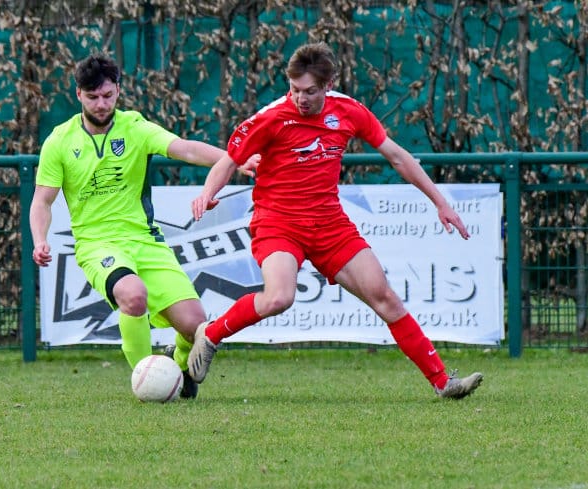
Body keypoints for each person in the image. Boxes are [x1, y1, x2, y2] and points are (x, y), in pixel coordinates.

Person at [187, 42, 484, 399]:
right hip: (278, 223)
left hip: (330, 225)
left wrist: (440, 202)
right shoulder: (271, 117)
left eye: (310, 91)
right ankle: (211, 333)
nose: (301, 98)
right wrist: (207, 192)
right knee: (279, 297)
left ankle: (443, 383)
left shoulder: (348, 111)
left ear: (328, 85)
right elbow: (229, 161)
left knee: (385, 297)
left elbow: (397, 156)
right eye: (295, 89)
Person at [30, 54, 250, 399]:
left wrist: (235, 158)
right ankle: (146, 378)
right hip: (98, 245)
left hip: (146, 242)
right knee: (133, 296)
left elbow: (186, 150)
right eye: (93, 97)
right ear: (78, 94)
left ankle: (179, 368)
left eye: (108, 95)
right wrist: (39, 239)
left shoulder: (135, 127)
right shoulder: (59, 141)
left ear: (118, 90)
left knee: (197, 327)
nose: (101, 104)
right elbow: (42, 201)